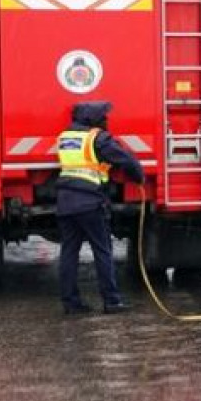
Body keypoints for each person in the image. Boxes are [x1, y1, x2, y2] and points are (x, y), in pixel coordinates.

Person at [56, 101, 144, 315]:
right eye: (103, 116)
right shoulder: (98, 138)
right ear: (94, 119)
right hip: (90, 203)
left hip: (65, 203)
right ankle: (112, 301)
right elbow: (125, 160)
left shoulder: (66, 137)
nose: (106, 120)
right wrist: (139, 176)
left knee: (69, 253)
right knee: (102, 251)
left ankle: (71, 303)